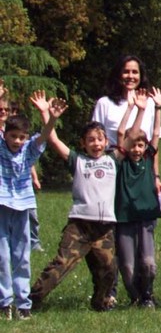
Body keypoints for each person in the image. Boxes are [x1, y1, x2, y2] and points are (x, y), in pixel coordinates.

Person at [29, 98, 117, 312]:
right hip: (80, 226)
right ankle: (32, 300)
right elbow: (53, 139)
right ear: (83, 144)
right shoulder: (77, 160)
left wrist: (137, 107)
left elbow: (131, 135)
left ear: (106, 142)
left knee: (109, 269)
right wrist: (47, 115)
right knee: (61, 265)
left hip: (104, 228)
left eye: (99, 139)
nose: (96, 143)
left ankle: (101, 302)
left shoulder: (114, 160)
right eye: (90, 140)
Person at [1, 95, 60, 319]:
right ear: (5, 135)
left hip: (22, 207)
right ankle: (4, 302)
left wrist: (51, 118)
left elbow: (44, 136)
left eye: (21, 137)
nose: (17, 141)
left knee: (22, 257)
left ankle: (23, 304)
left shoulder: (28, 150)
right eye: (13, 136)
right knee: (2, 256)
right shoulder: (0, 147)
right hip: (2, 205)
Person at [114, 87, 161, 308]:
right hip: (124, 216)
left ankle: (147, 295)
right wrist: (135, 110)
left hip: (145, 216)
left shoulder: (147, 159)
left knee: (148, 262)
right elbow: (121, 134)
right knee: (127, 265)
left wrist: (158, 109)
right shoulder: (121, 161)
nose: (136, 149)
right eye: (133, 145)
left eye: (140, 145)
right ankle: (135, 296)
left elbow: (155, 134)